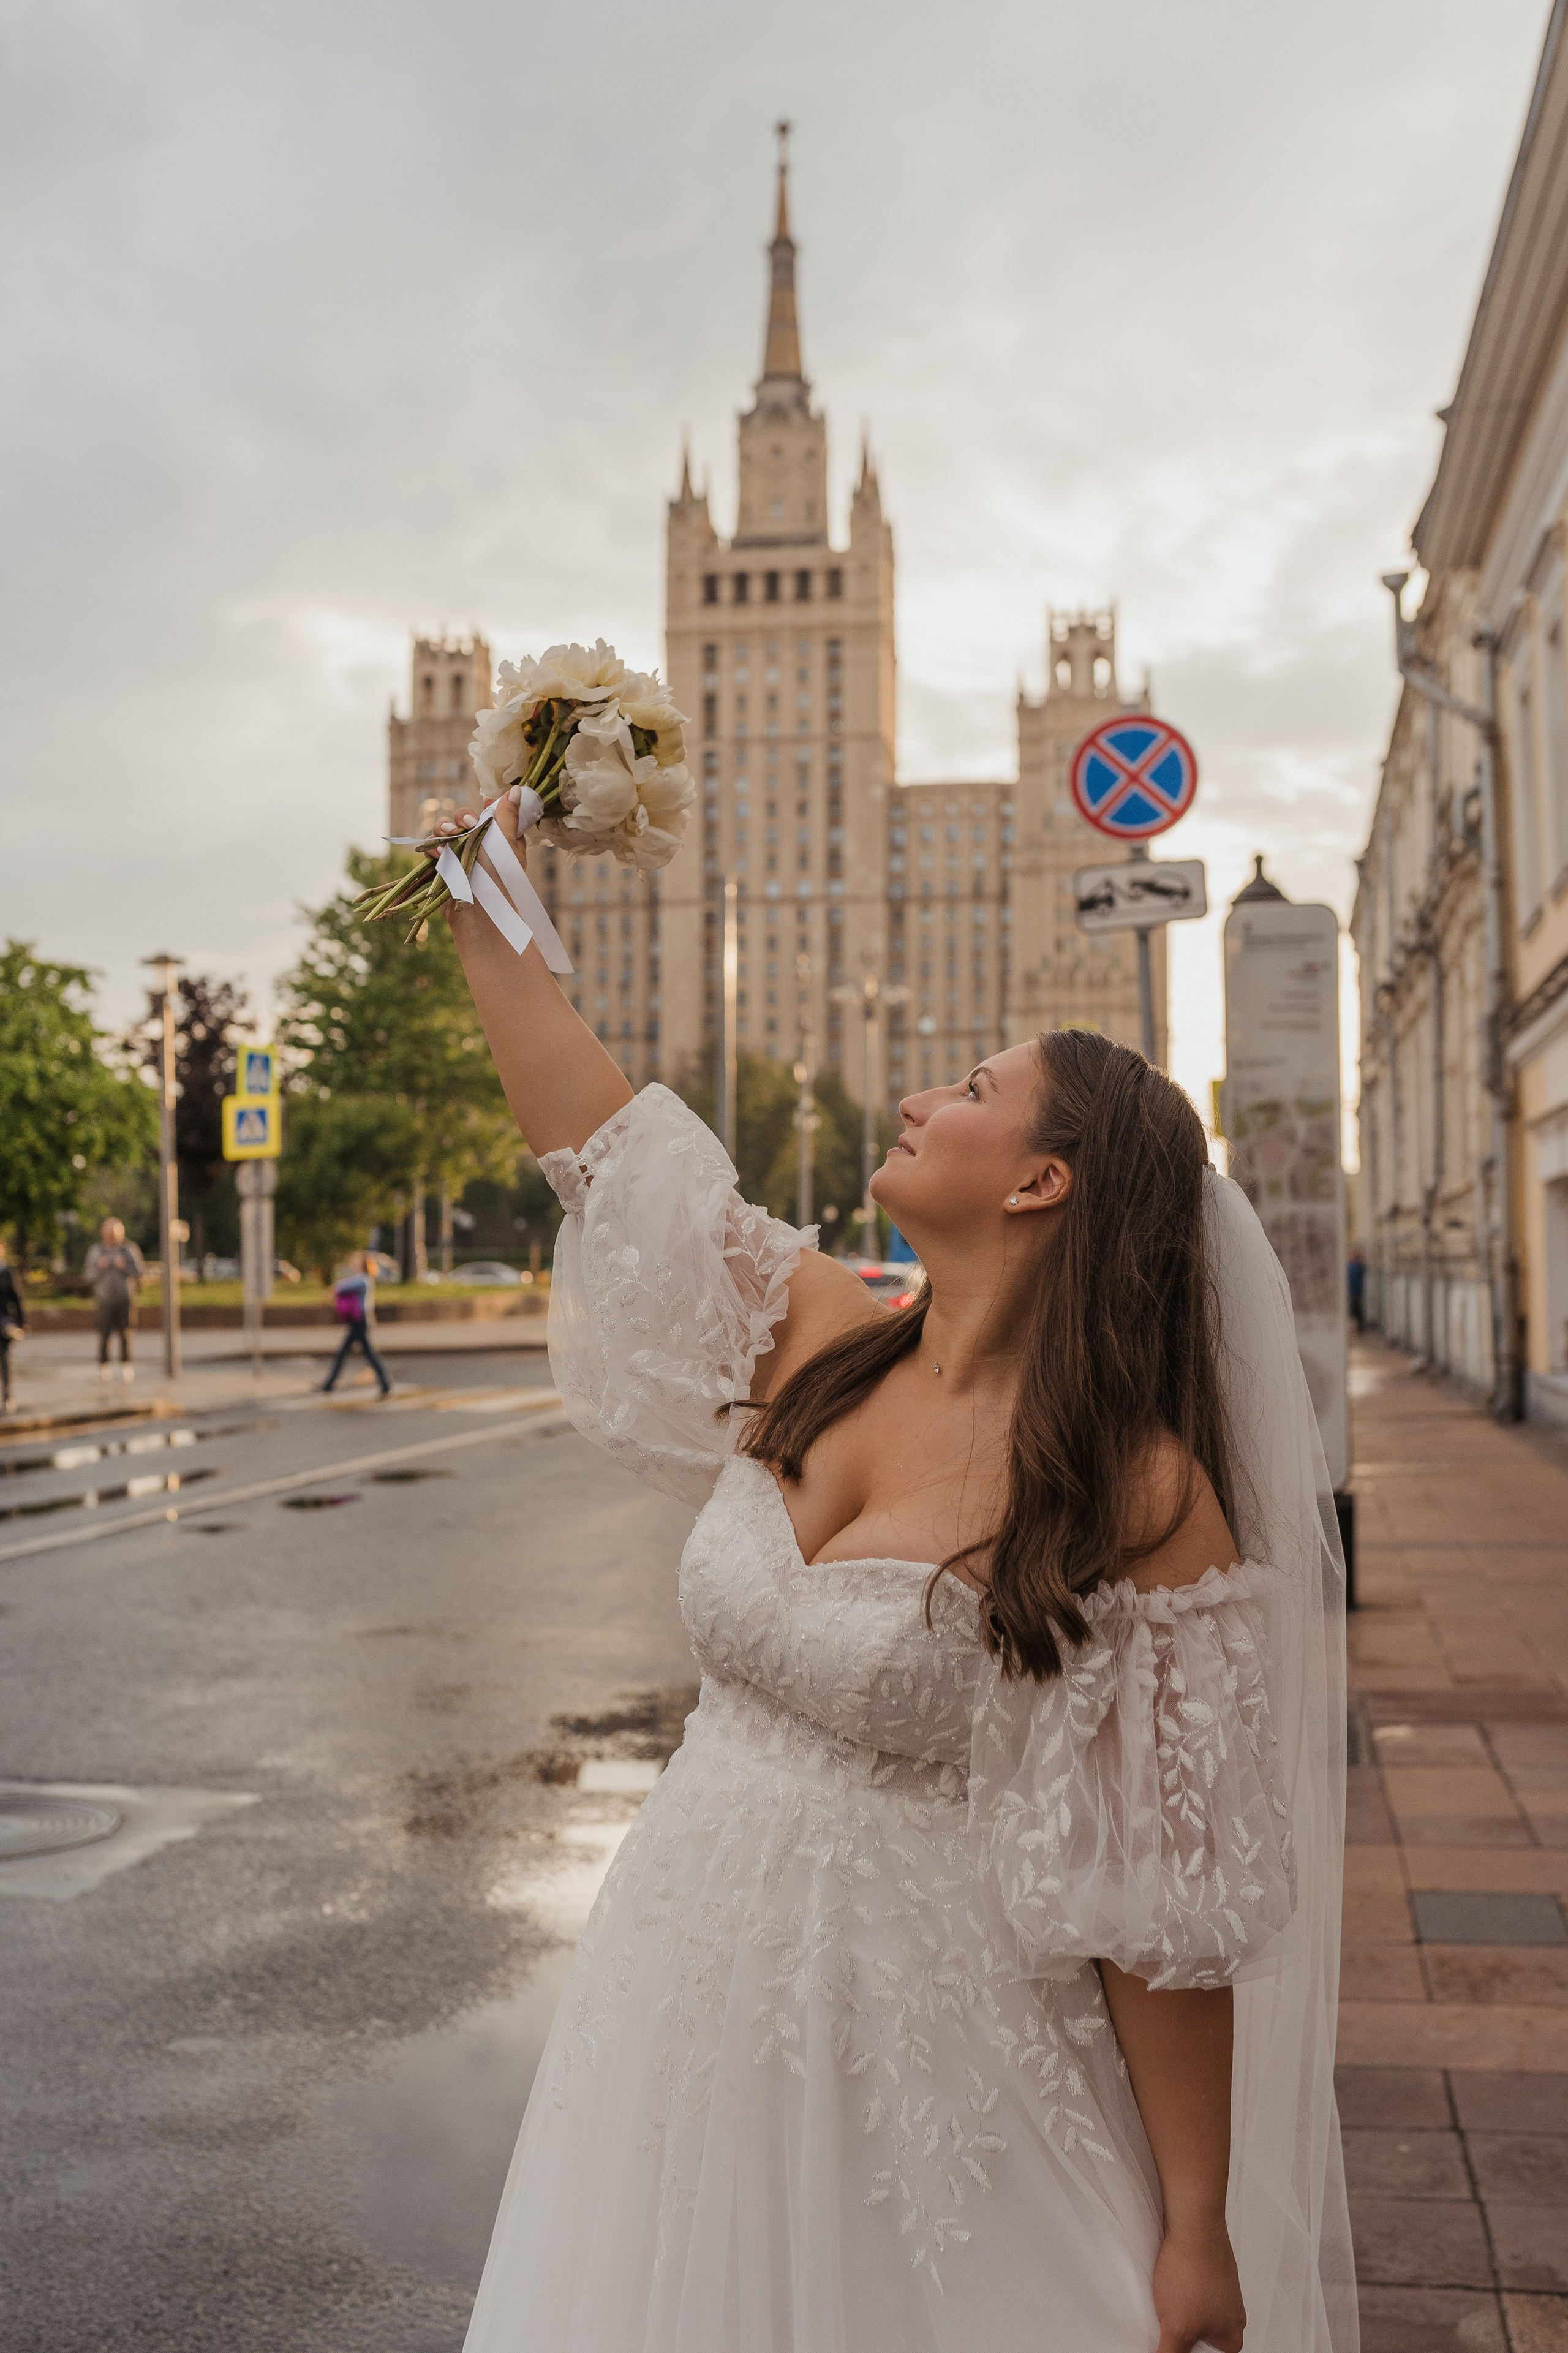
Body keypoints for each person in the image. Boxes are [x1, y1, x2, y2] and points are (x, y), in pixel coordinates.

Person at [434, 791, 1354, 2353]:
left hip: (941, 2077)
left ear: (1042, 1181)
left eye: (976, 1087)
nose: (925, 1094)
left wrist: (1195, 2224)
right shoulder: (813, 1331)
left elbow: (1157, 1906)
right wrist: (477, 891)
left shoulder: (1136, 1489)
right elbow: (601, 1143)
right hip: (673, 2008)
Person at [82, 1217, 146, 1383]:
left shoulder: (129, 1249)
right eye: (108, 1233)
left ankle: (126, 1365)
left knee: (126, 1332)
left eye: (114, 1233)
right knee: (104, 1334)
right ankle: (103, 1367)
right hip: (104, 1299)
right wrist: (99, 1268)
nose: (111, 1236)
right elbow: (87, 1275)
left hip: (125, 1298)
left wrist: (124, 1267)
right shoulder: (97, 1251)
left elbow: (140, 1272)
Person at [321, 1252, 392, 1398]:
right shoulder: (363, 1279)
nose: (354, 1264)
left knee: (346, 1353)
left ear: (363, 1265)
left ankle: (329, 1384)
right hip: (359, 1321)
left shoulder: (363, 1280)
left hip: (360, 1321)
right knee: (368, 1354)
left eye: (357, 1263)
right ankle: (385, 1384)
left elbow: (341, 1287)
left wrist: (335, 1286)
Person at [0, 1238, 28, 1414]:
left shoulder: (7, 1273)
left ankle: (7, 1395)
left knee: (4, 1358)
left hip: (3, 1324)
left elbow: (17, 1300)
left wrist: (22, 1323)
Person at [1346, 1246, 1366, 1335]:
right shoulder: (1356, 1267)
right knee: (1356, 1309)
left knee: (1356, 1309)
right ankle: (1360, 1326)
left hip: (1355, 1291)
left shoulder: (1354, 1267)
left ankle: (1360, 1326)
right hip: (1354, 1291)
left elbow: (1354, 1281)